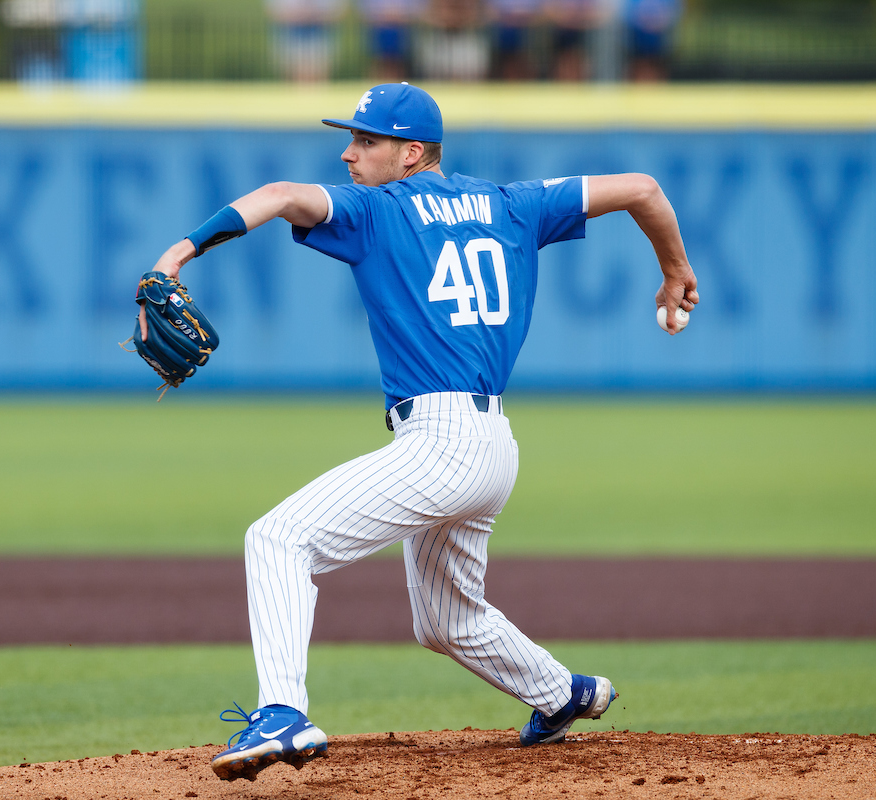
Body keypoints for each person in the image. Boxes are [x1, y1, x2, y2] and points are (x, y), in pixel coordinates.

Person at [142, 83, 697, 781]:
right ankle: (562, 693)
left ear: (410, 154)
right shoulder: (512, 202)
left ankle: (282, 711)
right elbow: (644, 188)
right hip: (493, 447)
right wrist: (675, 269)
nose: (349, 154)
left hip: (440, 443)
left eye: (366, 142)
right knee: (444, 619)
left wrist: (178, 252)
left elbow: (283, 194)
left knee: (277, 539)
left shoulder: (378, 210)